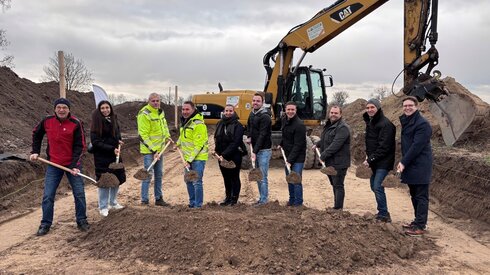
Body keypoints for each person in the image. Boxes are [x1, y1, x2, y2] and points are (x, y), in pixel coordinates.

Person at [30, 98, 89, 236]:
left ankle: (82, 220)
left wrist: (74, 165)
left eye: (64, 108)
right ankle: (45, 224)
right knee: (48, 195)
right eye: (59, 107)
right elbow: (36, 134)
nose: (61, 110)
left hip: (72, 164)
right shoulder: (47, 121)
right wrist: (35, 151)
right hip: (54, 164)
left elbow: (81, 146)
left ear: (69, 110)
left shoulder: (75, 123)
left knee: (79, 193)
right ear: (55, 109)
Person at [397, 96, 433, 236]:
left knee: (421, 196)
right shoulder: (408, 121)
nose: (407, 107)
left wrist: (403, 162)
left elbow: (416, 146)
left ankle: (420, 226)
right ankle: (417, 221)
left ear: (416, 106)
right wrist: (405, 161)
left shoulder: (422, 124)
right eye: (405, 105)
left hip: (420, 164)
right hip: (412, 164)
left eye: (410, 105)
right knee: (413, 195)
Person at [90, 100, 126, 217]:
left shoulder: (114, 120)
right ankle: (103, 207)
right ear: (99, 110)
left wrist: (119, 141)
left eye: (107, 107)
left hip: (115, 156)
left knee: (116, 180)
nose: (105, 110)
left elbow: (117, 134)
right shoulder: (96, 123)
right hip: (102, 158)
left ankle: (113, 202)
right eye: (102, 108)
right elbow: (96, 142)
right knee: (104, 182)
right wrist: (111, 148)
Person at [362, 98, 396, 222]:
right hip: (375, 161)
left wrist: (370, 159)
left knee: (377, 186)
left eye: (372, 107)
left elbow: (384, 147)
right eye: (368, 108)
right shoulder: (371, 122)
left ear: (378, 108)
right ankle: (383, 211)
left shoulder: (385, 124)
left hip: (383, 161)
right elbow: (372, 143)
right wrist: (368, 156)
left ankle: (383, 214)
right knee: (373, 186)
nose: (370, 110)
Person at [137, 93, 171, 206]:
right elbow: (143, 135)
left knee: (159, 174)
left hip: (160, 150)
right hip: (149, 151)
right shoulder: (144, 114)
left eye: (157, 101)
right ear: (149, 101)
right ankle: (144, 200)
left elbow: (164, 127)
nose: (156, 103)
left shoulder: (160, 112)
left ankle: (159, 198)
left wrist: (168, 137)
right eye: (153, 101)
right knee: (148, 175)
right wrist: (153, 150)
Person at [315, 105, 351, 210]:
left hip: (339, 163)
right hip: (331, 162)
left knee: (338, 185)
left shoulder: (343, 128)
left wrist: (323, 156)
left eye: (336, 113)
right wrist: (318, 144)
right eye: (332, 113)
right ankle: (336, 206)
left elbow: (336, 144)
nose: (333, 115)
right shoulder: (330, 125)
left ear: (340, 114)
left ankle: (338, 208)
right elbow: (326, 138)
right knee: (334, 184)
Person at [177, 101, 208, 208]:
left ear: (193, 110)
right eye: (183, 109)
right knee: (188, 181)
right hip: (188, 158)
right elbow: (183, 136)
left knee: (196, 181)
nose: (184, 112)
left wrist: (189, 160)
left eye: (187, 109)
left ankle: (198, 205)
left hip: (197, 158)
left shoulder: (198, 124)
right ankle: (192, 203)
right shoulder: (186, 121)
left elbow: (199, 145)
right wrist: (177, 143)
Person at [214, 104, 245, 206]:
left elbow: (236, 142)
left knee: (234, 177)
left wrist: (224, 154)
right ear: (224, 111)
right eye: (226, 111)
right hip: (221, 156)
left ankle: (234, 199)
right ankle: (227, 198)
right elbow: (217, 139)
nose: (228, 113)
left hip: (234, 155)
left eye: (230, 111)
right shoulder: (219, 123)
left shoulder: (238, 126)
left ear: (234, 112)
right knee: (226, 177)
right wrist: (217, 152)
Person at [246, 92, 272, 205]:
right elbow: (249, 127)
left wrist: (255, 151)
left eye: (258, 101)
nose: (255, 103)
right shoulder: (252, 114)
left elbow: (262, 135)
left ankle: (264, 200)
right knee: (257, 175)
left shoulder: (265, 116)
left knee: (262, 176)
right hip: (255, 149)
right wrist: (248, 136)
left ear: (262, 103)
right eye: (254, 101)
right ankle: (261, 199)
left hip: (264, 150)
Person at [279, 102, 306, 206]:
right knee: (290, 179)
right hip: (288, 155)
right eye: (288, 109)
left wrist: (290, 161)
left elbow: (298, 145)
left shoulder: (299, 125)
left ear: (296, 110)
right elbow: (285, 136)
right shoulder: (285, 120)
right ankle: (291, 201)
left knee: (296, 180)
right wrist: (281, 144)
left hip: (297, 158)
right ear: (285, 110)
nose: (290, 112)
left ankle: (298, 204)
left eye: (292, 110)